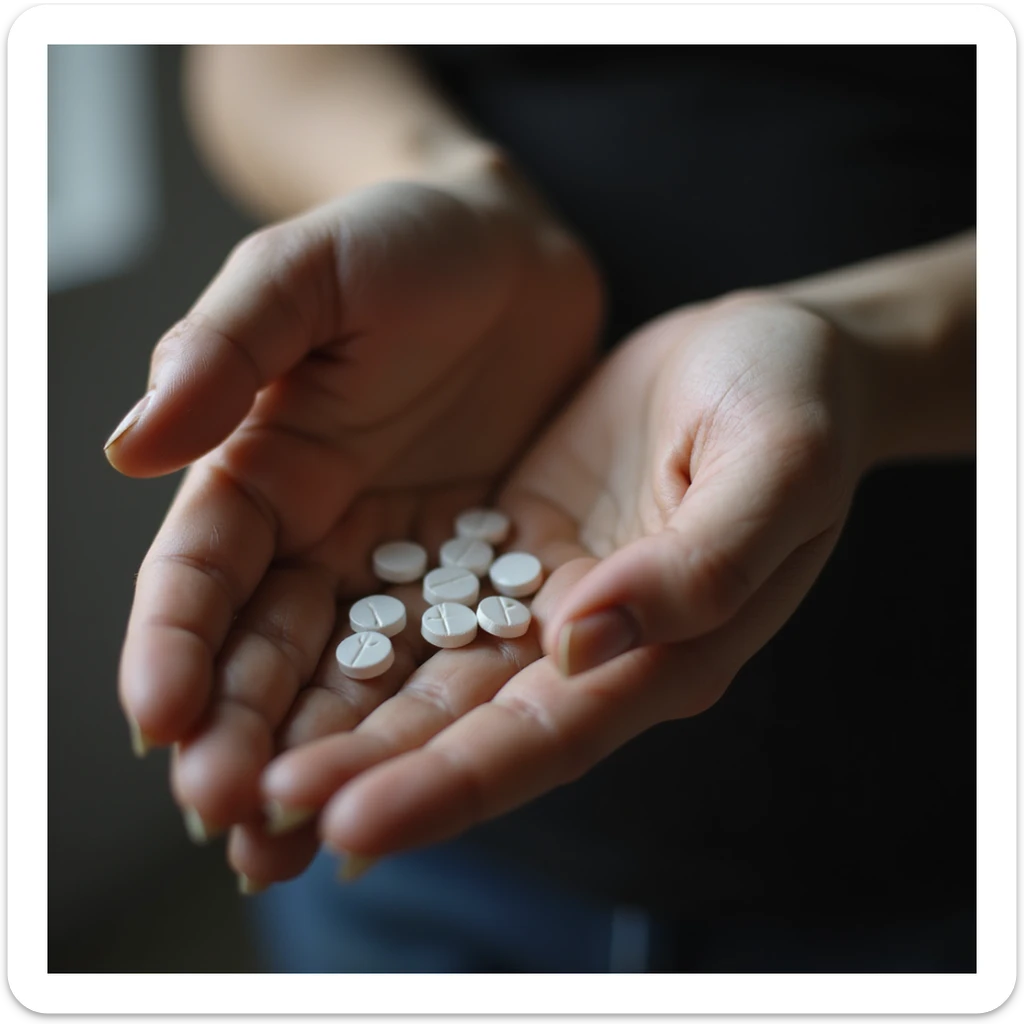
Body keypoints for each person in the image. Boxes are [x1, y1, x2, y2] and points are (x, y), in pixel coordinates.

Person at [107, 44, 976, 972]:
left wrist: (872, 350)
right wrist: (440, 180)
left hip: (928, 840)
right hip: (414, 862)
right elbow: (265, 53)